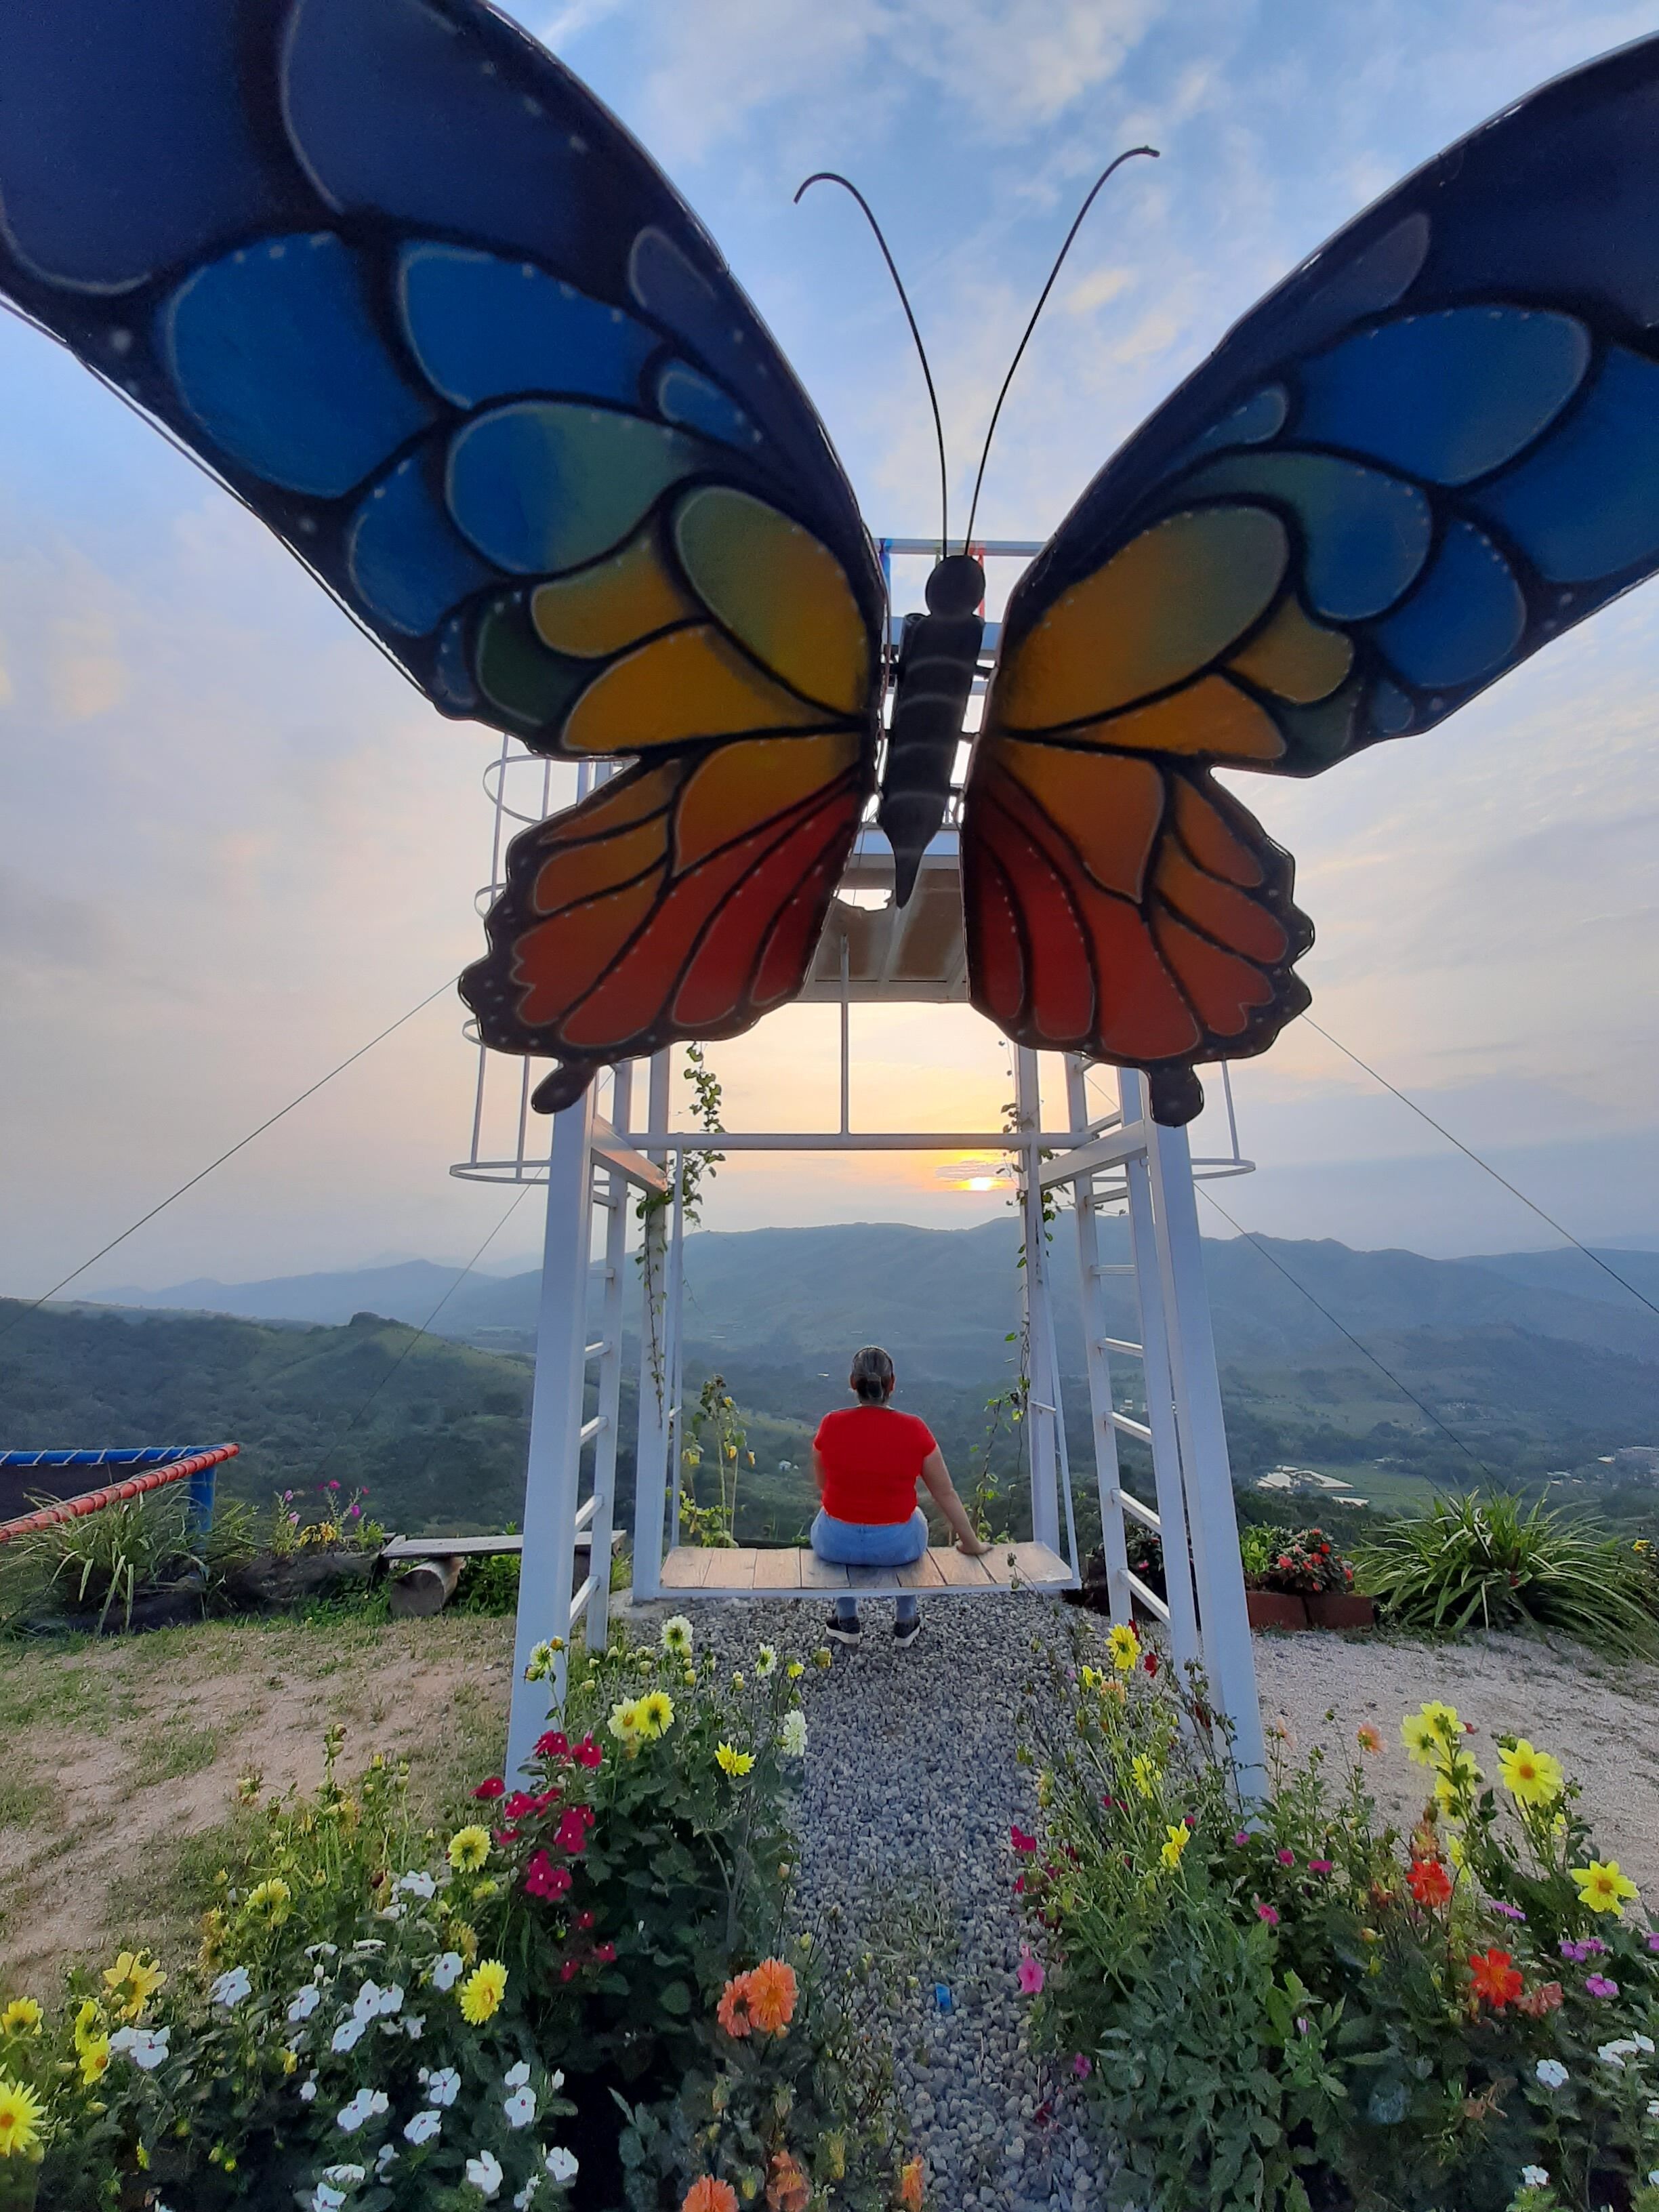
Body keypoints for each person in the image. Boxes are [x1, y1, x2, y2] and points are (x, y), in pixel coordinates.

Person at [810, 1344, 990, 1649]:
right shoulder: (915, 1429)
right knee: (915, 1517)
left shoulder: (830, 1424)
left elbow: (822, 1485)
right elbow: (944, 1493)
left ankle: (846, 1620)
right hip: (897, 1546)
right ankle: (906, 1622)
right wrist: (971, 1544)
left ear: (853, 1384)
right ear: (892, 1384)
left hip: (836, 1543)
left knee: (830, 1515)